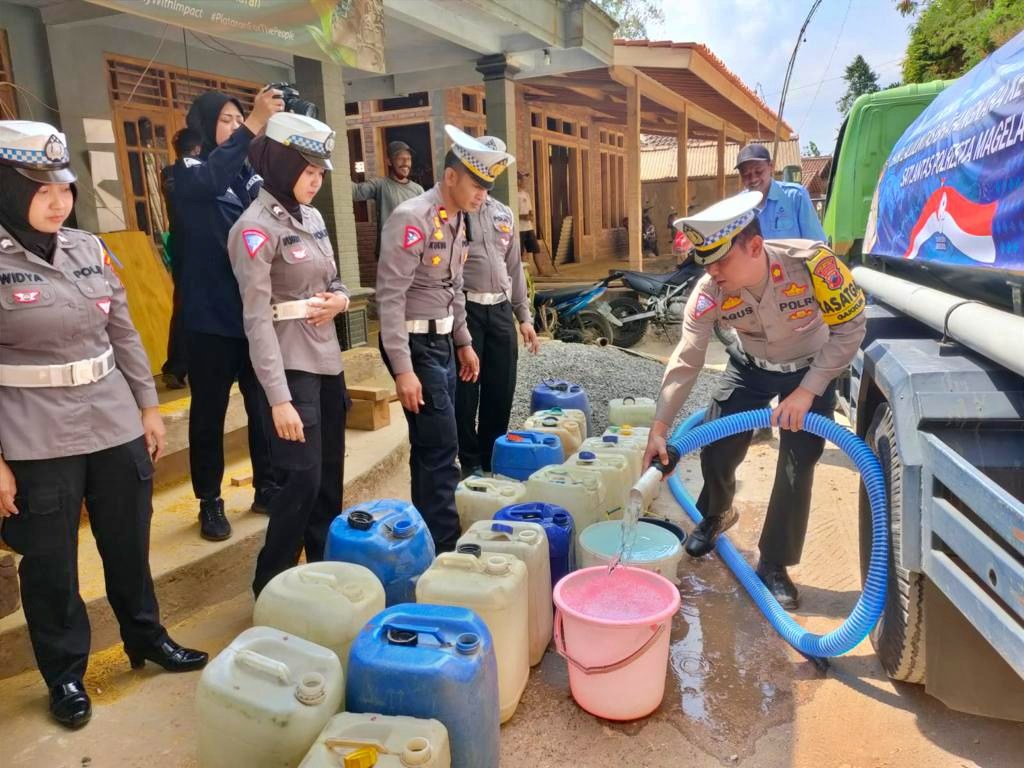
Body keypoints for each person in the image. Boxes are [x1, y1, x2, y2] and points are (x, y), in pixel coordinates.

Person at [0, 120, 207, 730]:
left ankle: (145, 637)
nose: (58, 200)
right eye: (41, 189)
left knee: (128, 542)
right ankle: (65, 672)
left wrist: (148, 406)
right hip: (33, 434)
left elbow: (123, 332)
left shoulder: (88, 247)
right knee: (50, 564)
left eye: (63, 187)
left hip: (112, 419)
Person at [644, 191, 866, 608]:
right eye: (706, 261)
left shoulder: (814, 265)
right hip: (750, 365)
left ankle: (775, 564)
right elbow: (687, 358)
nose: (712, 271)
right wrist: (659, 427)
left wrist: (807, 391)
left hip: (810, 368)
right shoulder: (710, 292)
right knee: (718, 446)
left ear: (755, 246)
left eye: (721, 260)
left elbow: (851, 329)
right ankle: (716, 514)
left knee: (796, 468)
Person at [228, 113, 350, 597]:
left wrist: (340, 301)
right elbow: (256, 319)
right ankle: (272, 582)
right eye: (308, 172)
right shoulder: (253, 229)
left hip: (327, 362)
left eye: (320, 173)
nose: (315, 182)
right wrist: (277, 398)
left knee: (329, 480)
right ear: (280, 164)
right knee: (301, 480)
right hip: (289, 368)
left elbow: (334, 281)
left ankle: (321, 572)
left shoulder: (314, 218)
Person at [376, 125, 513, 552]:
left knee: (429, 447)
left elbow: (452, 287)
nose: (482, 195)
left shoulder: (457, 220)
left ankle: (424, 539)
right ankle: (447, 546)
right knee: (442, 448)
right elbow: (390, 298)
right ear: (451, 177)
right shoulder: (411, 218)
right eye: (476, 184)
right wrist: (403, 370)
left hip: (441, 343)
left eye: (487, 187)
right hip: (414, 344)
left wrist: (463, 341)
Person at [172, 86, 284, 541]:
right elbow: (210, 182)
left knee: (261, 406)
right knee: (210, 414)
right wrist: (253, 128)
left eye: (241, 120)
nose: (238, 127)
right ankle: (210, 502)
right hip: (208, 320)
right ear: (202, 123)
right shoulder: (186, 172)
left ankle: (267, 487)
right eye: (228, 120)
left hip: (251, 315)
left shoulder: (248, 175)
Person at [455, 137, 539, 478]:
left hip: (501, 310)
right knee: (465, 390)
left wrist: (524, 317)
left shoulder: (503, 213)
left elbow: (514, 267)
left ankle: (492, 457)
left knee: (501, 388)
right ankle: (468, 459)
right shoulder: (455, 214)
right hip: (466, 311)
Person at [159, 128, 202, 390]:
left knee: (184, 306)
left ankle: (178, 367)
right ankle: (177, 366)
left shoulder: (169, 174)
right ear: (197, 150)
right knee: (189, 306)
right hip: (194, 248)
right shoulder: (190, 175)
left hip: (182, 247)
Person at [736, 143, 826, 241]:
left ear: (771, 166)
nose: (753, 179)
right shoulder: (737, 206)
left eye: (758, 171)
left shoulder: (796, 196)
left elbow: (816, 244)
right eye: (746, 174)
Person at [351, 140, 424, 258]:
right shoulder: (380, 185)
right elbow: (355, 192)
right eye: (400, 158)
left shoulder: (418, 190)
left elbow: (424, 222)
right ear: (389, 161)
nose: (406, 163)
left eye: (409, 159)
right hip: (389, 254)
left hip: (413, 254)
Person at [516, 170, 549, 275]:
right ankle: (522, 274)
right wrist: (522, 216)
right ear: (518, 181)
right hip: (519, 228)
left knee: (536, 249)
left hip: (528, 227)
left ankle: (541, 271)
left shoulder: (526, 194)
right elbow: (512, 211)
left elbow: (530, 210)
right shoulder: (514, 195)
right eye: (523, 180)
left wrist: (531, 216)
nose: (525, 182)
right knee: (520, 252)